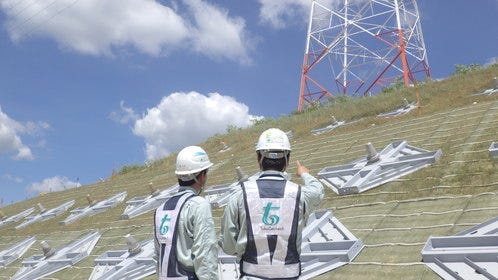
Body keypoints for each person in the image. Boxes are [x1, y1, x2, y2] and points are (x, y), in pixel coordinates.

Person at [219, 128, 324, 279]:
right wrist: (304, 173)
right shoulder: (300, 194)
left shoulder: (239, 194)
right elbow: (318, 191)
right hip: (289, 274)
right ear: (288, 159)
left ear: (258, 157)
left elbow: (228, 245)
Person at [154, 146, 218, 280]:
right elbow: (205, 255)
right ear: (201, 175)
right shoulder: (199, 205)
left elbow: (158, 256)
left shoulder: (161, 210)